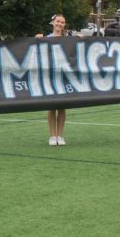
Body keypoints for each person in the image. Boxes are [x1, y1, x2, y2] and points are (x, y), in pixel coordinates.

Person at [36, 14, 68, 145]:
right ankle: (52, 136)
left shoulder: (68, 40)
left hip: (64, 77)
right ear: (53, 23)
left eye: (62, 22)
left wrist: (82, 39)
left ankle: (60, 136)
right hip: (49, 77)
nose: (60, 24)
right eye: (58, 21)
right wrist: (36, 39)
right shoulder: (46, 39)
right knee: (51, 107)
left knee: (62, 107)